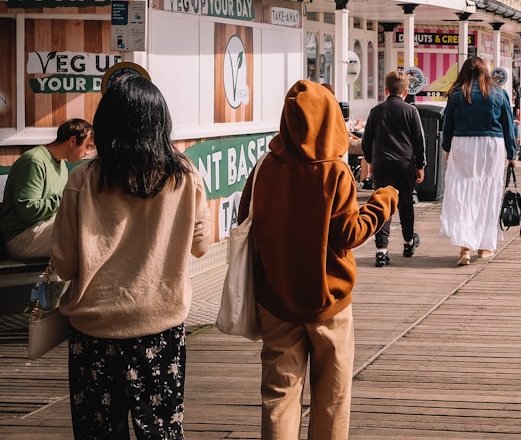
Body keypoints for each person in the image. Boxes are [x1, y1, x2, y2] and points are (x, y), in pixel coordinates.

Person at [51, 76, 210, 438]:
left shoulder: (82, 179)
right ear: (161, 123)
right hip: (160, 329)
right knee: (161, 432)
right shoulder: (185, 176)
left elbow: (65, 265)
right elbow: (201, 246)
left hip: (94, 331)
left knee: (99, 433)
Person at [238, 80, 397, 440]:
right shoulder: (334, 172)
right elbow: (349, 235)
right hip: (329, 302)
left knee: (279, 397)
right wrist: (384, 200)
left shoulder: (265, 167)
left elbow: (245, 219)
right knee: (332, 397)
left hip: (276, 301)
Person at [440, 56, 516, 265]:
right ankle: (484, 246)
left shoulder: (457, 94)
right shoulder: (499, 94)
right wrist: (512, 153)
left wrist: (447, 147)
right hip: (492, 144)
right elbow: (508, 125)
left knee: (463, 194)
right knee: (487, 192)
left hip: (463, 143)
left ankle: (465, 247)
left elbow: (448, 124)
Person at [1, 118, 93, 259]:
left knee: (87, 225)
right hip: (21, 237)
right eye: (88, 146)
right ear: (73, 141)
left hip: (43, 229)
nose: (88, 152)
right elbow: (29, 210)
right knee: (83, 231)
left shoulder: (62, 166)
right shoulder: (34, 161)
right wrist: (68, 198)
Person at [362, 70, 426, 266]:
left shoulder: (376, 111)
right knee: (405, 203)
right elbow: (419, 141)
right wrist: (420, 165)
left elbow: (366, 141)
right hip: (405, 163)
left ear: (386, 90)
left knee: (383, 205)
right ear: (406, 91)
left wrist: (370, 161)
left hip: (382, 164)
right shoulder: (411, 111)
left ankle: (381, 250)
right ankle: (408, 242)